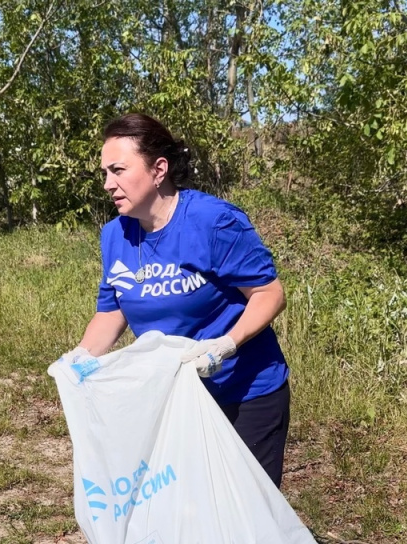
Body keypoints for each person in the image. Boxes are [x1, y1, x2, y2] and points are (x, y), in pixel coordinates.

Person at [58, 113, 291, 487]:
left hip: (245, 394)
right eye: (104, 173)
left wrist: (225, 345)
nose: (107, 184)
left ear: (159, 169)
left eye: (118, 170)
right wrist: (82, 356)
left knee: (247, 506)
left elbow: (269, 294)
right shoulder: (115, 236)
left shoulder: (213, 222)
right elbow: (112, 310)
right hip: (175, 399)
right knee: (189, 505)